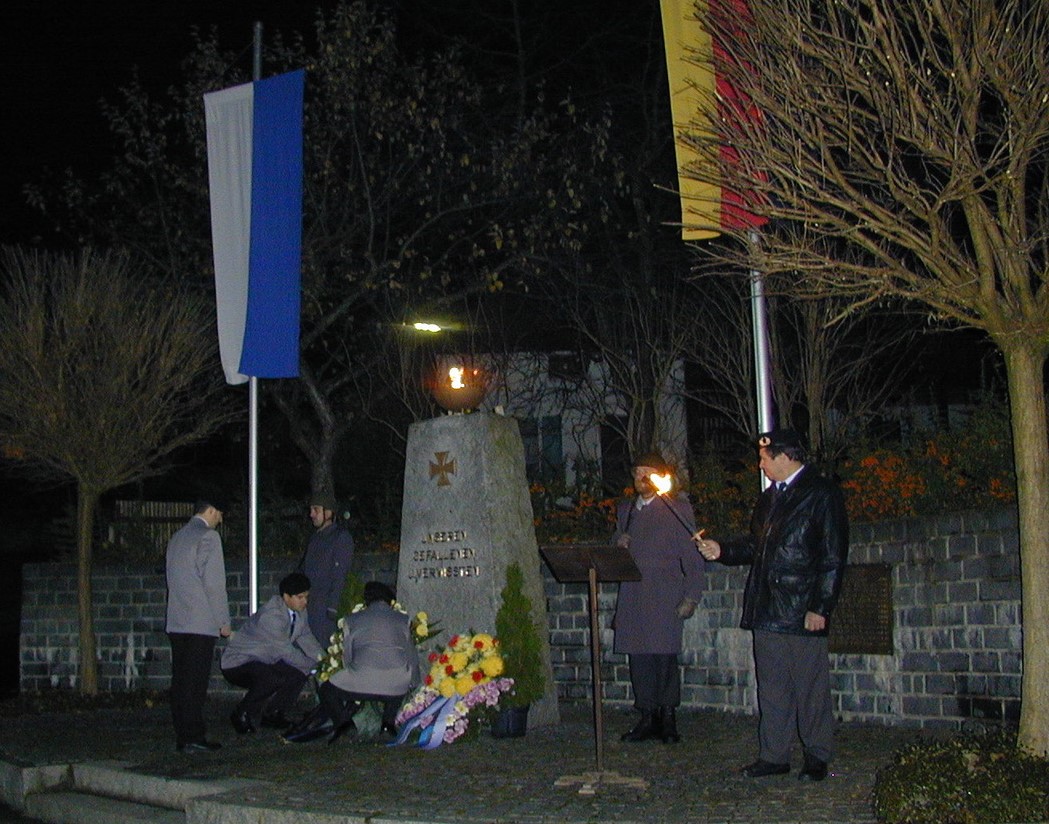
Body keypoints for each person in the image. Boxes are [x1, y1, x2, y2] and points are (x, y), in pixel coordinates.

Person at [696, 429, 848, 781]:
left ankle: (817, 754)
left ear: (785, 457)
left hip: (800, 606)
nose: (760, 464)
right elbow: (757, 546)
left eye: (765, 458)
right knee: (772, 686)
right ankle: (774, 754)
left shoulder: (821, 493)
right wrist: (722, 550)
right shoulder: (769, 498)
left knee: (810, 687)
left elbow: (833, 556)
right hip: (767, 606)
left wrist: (820, 607)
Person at [612, 452, 705, 744]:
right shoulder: (627, 510)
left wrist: (692, 595)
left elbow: (692, 556)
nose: (641, 477)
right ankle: (647, 715)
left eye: (647, 472)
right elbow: (615, 549)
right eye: (637, 471)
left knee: (664, 656)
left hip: (664, 594)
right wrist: (618, 543)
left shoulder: (676, 508)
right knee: (638, 658)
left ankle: (667, 717)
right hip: (633, 595)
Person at [286, 581, 420, 744]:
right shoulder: (403, 619)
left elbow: (348, 657)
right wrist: (414, 683)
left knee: (326, 690)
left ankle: (345, 725)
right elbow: (411, 656)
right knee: (399, 677)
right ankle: (388, 724)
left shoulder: (351, 619)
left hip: (361, 679)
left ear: (366, 600)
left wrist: (354, 674)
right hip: (396, 683)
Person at [165, 498, 231, 753]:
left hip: (177, 621)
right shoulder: (208, 538)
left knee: (181, 681)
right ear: (210, 511)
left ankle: (183, 732)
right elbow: (214, 584)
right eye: (219, 514)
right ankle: (193, 736)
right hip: (199, 622)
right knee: (195, 683)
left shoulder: (177, 538)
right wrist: (223, 621)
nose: (220, 519)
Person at [220, 572, 324, 734]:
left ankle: (274, 713)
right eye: (300, 597)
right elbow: (286, 652)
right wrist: (314, 665)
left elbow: (306, 638)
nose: (305, 601)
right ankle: (242, 713)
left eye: (306, 597)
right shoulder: (271, 616)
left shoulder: (300, 612)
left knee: (298, 673)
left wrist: (324, 660)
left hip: (265, 658)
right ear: (286, 597)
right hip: (239, 661)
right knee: (272, 677)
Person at [298, 492, 354, 648]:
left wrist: (332, 607)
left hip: (325, 611)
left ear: (328, 513)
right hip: (308, 608)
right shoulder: (315, 538)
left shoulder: (340, 538)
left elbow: (340, 575)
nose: (311, 514)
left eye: (316, 509)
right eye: (311, 510)